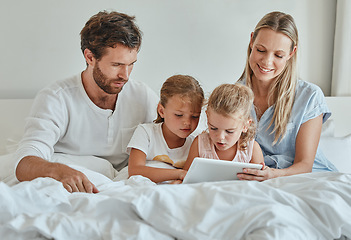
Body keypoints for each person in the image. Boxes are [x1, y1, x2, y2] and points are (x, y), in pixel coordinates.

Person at [14, 11, 159, 193]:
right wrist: (59, 172)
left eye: (131, 64)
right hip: (72, 181)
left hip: (121, 184)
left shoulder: (141, 95)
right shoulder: (56, 97)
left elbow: (175, 138)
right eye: (117, 65)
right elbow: (24, 163)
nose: (126, 75)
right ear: (90, 57)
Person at [236, 11, 338, 181]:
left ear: (291, 53)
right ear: (252, 41)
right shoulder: (235, 95)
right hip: (256, 179)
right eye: (261, 50)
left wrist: (272, 174)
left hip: (310, 178)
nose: (267, 62)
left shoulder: (309, 97)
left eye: (278, 55)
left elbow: (305, 165)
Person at [127, 74, 204, 183]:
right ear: (162, 111)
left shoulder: (199, 139)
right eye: (178, 115)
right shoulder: (146, 132)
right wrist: (179, 173)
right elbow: (134, 170)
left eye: (195, 116)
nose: (187, 122)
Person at [183, 83, 265, 171]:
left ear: (245, 125)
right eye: (213, 128)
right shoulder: (200, 144)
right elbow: (185, 176)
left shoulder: (251, 149)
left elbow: (260, 181)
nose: (220, 137)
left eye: (229, 131)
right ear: (207, 117)